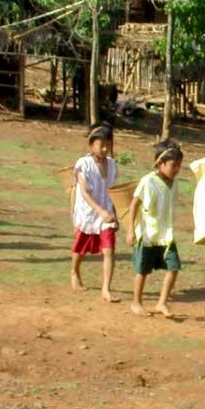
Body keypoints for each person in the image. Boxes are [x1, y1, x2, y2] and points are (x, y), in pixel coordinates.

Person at [128, 140, 183, 319]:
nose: (176, 169)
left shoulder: (174, 183)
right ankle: (136, 302)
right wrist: (130, 230)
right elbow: (134, 203)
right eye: (173, 165)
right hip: (148, 234)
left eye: (179, 166)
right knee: (142, 270)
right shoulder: (148, 181)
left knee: (173, 267)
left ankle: (162, 302)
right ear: (160, 164)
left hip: (166, 235)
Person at [71, 123, 119, 300]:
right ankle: (74, 271)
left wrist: (115, 213)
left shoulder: (113, 165)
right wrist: (99, 211)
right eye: (101, 144)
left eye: (108, 144)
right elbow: (83, 192)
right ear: (91, 145)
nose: (105, 148)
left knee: (109, 249)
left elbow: (112, 191)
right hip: (87, 211)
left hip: (106, 212)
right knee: (81, 248)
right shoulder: (83, 164)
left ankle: (106, 289)